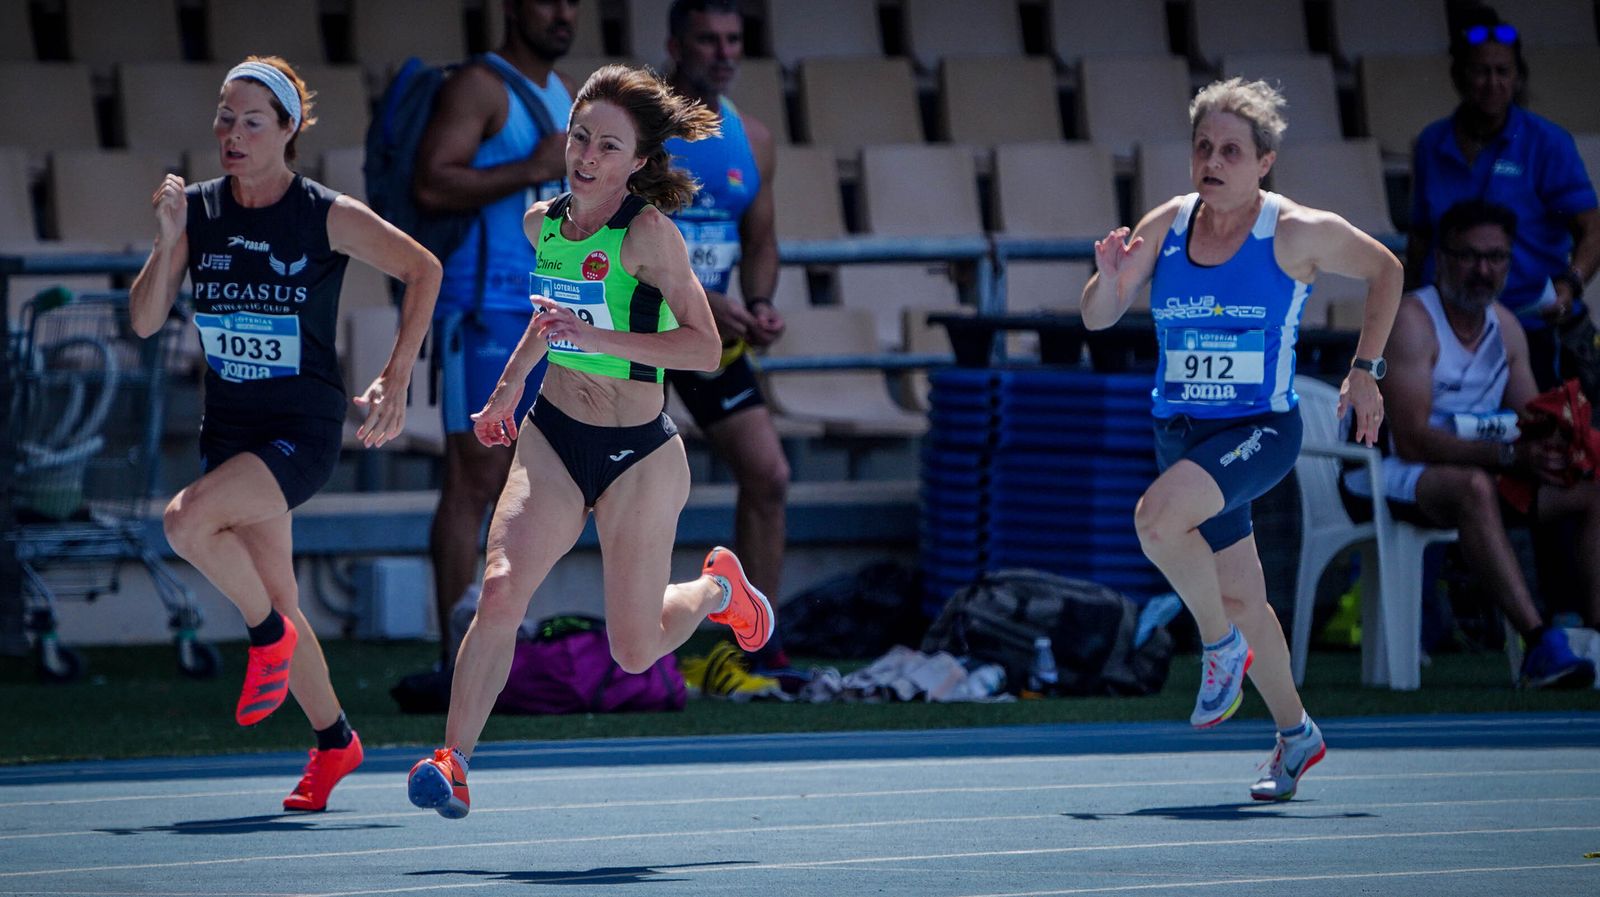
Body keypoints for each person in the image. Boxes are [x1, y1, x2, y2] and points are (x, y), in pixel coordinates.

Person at [406, 65, 775, 820]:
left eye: (608, 145)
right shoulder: (541, 222)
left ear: (637, 161)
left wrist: (599, 334)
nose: (587, 155)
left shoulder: (649, 235)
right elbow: (548, 322)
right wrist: (505, 395)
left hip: (640, 452)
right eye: (580, 136)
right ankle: (454, 760)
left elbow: (705, 348)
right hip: (553, 435)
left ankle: (716, 591)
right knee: (502, 588)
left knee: (634, 650)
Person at [129, 57, 440, 810]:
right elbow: (142, 322)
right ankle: (336, 742)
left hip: (301, 428)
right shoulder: (200, 210)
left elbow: (423, 268)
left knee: (185, 520)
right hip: (228, 427)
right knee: (281, 594)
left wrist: (397, 375)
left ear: (287, 131)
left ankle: (265, 636)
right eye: (225, 119)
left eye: (251, 122)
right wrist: (170, 240)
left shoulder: (321, 212)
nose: (232, 135)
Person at [1081, 78, 1401, 801]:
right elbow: (1100, 316)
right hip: (1182, 431)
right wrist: (1106, 281)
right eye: (1202, 147)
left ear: (1264, 162)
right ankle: (1297, 734)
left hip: (1259, 430)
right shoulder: (1169, 221)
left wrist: (1365, 371)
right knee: (1242, 598)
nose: (1212, 161)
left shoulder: (1292, 232)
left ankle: (1218, 649)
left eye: (1231, 149)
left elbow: (1387, 268)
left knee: (1155, 520)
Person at [1345, 200, 1598, 688]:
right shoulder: (1413, 321)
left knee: (1592, 485)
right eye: (1470, 256)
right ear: (1442, 259)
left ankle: (1595, 638)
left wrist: (1561, 443)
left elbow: (1530, 421)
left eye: (1497, 258)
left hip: (1472, 471)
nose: (1484, 270)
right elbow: (1413, 440)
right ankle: (1540, 643)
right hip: (1382, 471)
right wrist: (1508, 456)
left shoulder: (1506, 327)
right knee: (1475, 488)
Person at [415, 0, 580, 666]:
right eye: (548, 0)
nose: (563, 13)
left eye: (573, 1)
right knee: (474, 477)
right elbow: (432, 183)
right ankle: (458, 653)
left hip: (540, 310)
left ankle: (498, 642)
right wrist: (530, 168)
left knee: (529, 479)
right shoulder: (479, 86)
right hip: (481, 305)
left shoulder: (561, 91)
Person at [662, 0, 791, 671]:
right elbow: (610, 240)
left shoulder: (755, 137)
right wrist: (700, 299)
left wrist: (760, 299)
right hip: (641, 334)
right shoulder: (634, 127)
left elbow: (761, 240)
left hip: (712, 338)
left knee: (769, 475)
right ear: (675, 45)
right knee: (631, 493)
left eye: (734, 39)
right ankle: (626, 649)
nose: (723, 52)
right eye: (708, 39)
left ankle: (755, 646)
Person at [1407, 6, 1600, 397]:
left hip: (1537, 326)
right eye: (1481, 71)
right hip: (1451, 330)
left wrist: (1571, 284)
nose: (1492, 83)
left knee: (1550, 446)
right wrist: (1408, 306)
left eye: (1503, 72)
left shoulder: (1547, 143)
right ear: (1459, 75)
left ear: (1518, 77)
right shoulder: (1432, 143)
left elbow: (1593, 230)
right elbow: (1421, 238)